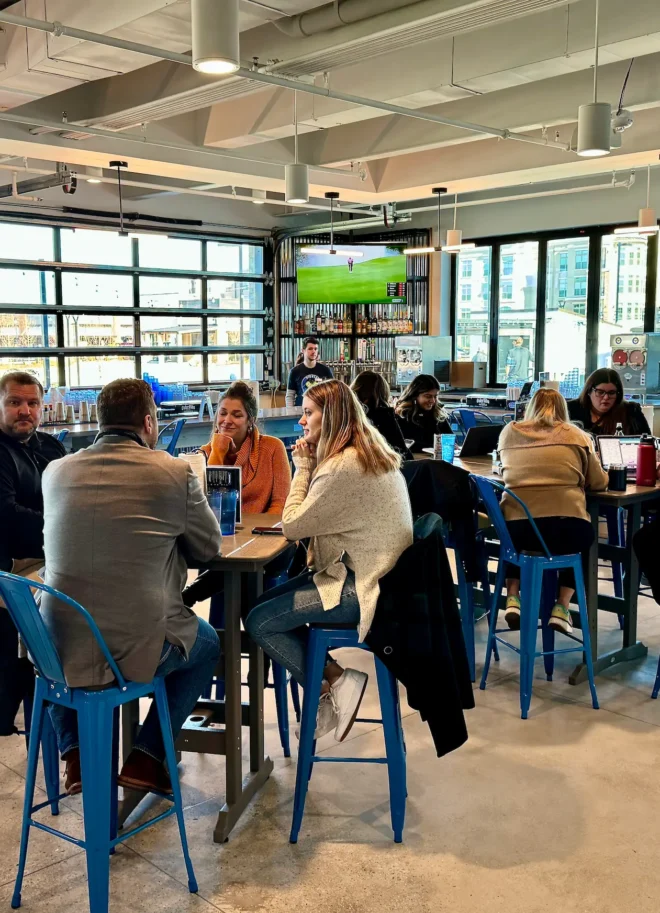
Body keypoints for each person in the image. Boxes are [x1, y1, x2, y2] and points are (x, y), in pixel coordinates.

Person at [41, 379, 222, 796]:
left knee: (55, 645)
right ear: (148, 421)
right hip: (130, 648)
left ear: (101, 422)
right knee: (208, 643)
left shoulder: (55, 471)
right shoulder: (173, 471)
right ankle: (147, 755)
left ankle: (76, 753)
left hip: (55, 646)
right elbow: (209, 546)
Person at [245, 380, 413, 742]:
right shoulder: (365, 451)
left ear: (332, 416)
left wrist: (302, 467)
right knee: (260, 604)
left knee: (260, 620)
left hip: (364, 588)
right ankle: (334, 679)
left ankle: (333, 684)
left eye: (308, 413)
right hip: (386, 579)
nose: (302, 421)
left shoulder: (342, 467)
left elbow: (292, 525)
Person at [498, 388, 608, 635]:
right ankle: (562, 606)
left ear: (530, 407)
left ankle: (513, 597)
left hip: (517, 530)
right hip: (566, 529)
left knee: (518, 530)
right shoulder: (577, 435)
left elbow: (504, 469)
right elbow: (599, 482)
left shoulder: (509, 432)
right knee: (579, 535)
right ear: (563, 409)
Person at [182, 381, 292, 607]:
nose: (227, 420)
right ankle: (242, 635)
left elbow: (280, 505)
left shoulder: (273, 448)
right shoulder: (204, 454)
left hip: (266, 541)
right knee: (235, 567)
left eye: (236, 415)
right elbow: (201, 504)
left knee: (243, 568)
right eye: (222, 413)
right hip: (222, 542)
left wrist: (252, 537)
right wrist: (218, 451)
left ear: (250, 420)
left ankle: (192, 594)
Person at [0, 371, 66, 737]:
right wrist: (60, 523)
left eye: (32, 403)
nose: (24, 410)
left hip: (51, 556)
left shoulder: (51, 447)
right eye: (14, 402)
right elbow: (6, 516)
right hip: (13, 565)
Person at [567, 368, 651, 436]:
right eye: (600, 392)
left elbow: (647, 441)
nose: (606, 397)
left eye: (611, 393)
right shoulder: (571, 409)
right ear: (589, 391)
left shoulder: (631, 411)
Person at [351, 370, 412, 460]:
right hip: (381, 468)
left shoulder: (346, 414)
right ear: (383, 393)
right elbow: (401, 451)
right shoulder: (384, 415)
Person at [394, 374, 452, 453]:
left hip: (435, 461)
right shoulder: (403, 415)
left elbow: (449, 438)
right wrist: (437, 446)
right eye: (428, 396)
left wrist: (452, 444)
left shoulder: (437, 413)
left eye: (435, 396)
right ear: (414, 396)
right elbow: (406, 444)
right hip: (414, 461)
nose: (433, 401)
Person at [286, 336, 334, 407]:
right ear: (303, 350)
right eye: (310, 349)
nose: (314, 351)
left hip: (320, 410)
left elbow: (332, 393)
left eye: (315, 349)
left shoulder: (325, 370)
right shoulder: (294, 371)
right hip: (301, 411)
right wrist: (290, 412)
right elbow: (290, 395)